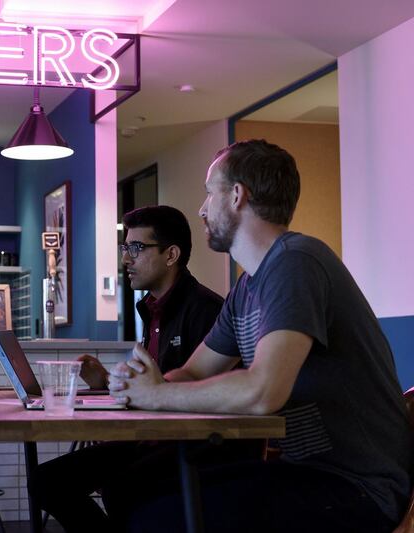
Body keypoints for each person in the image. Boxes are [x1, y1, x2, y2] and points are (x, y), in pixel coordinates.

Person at [110, 139, 412, 532]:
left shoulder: (296, 262)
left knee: (155, 518)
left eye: (209, 192)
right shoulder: (248, 286)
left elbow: (264, 390)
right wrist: (138, 385)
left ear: (237, 196)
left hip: (357, 488)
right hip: (307, 473)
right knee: (131, 490)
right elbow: (194, 372)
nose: (202, 209)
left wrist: (156, 395)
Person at [29, 205, 232, 532]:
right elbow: (156, 386)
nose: (126, 259)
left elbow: (202, 393)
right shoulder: (152, 309)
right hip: (153, 436)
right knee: (46, 481)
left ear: (171, 254)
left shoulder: (207, 310)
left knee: (120, 489)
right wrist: (106, 383)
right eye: (125, 248)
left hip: (193, 443)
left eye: (136, 248)